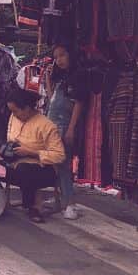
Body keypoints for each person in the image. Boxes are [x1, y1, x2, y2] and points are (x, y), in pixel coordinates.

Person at [3, 87, 66, 223]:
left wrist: (32, 152)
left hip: (43, 170)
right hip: (16, 163)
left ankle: (33, 206)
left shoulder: (46, 125)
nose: (13, 114)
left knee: (24, 170)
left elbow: (59, 155)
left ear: (27, 108)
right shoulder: (14, 117)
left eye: (15, 111)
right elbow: (10, 138)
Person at [44, 44, 83, 219]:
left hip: (64, 125)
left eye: (62, 55)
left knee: (64, 165)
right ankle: (59, 198)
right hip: (52, 125)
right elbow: (52, 99)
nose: (59, 60)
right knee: (56, 165)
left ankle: (70, 204)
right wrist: (47, 81)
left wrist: (71, 129)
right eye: (56, 57)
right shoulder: (60, 78)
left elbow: (78, 104)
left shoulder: (77, 77)